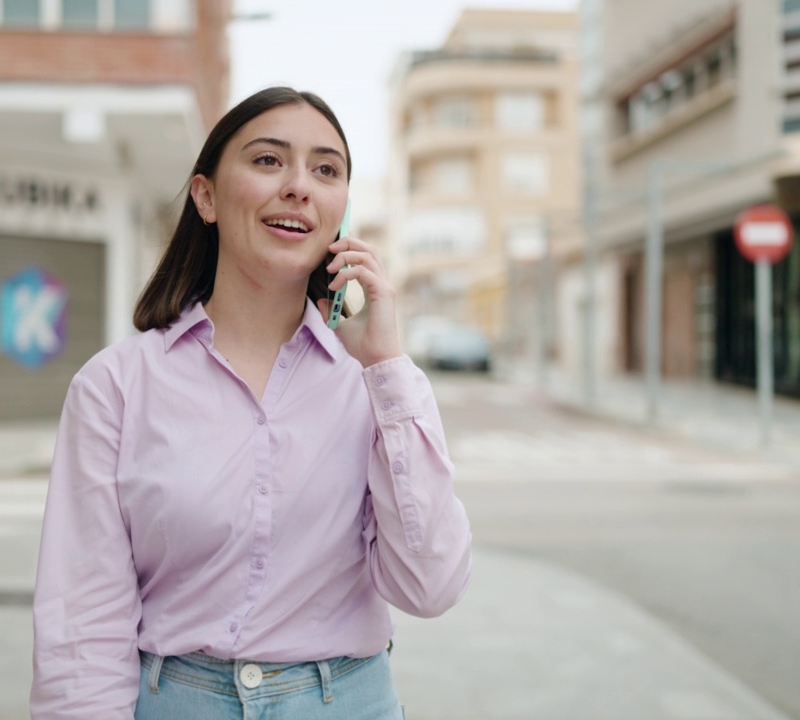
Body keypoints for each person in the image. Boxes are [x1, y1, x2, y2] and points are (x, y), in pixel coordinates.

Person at [30, 87, 472, 719]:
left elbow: (430, 587)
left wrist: (386, 370)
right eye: (268, 160)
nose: (299, 186)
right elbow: (82, 621)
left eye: (326, 170)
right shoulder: (116, 386)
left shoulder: (376, 385)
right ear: (205, 196)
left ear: (341, 208)